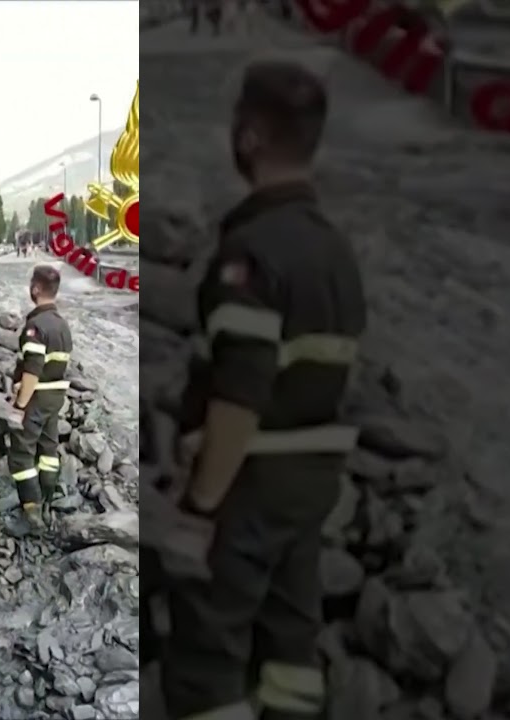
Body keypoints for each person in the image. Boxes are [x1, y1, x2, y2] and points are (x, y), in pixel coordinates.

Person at [158, 60, 367, 720]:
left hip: (252, 483)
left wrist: (199, 505)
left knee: (207, 656)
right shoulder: (335, 251)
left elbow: (240, 399)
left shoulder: (252, 253)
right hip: (312, 482)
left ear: (248, 137)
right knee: (288, 643)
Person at [6, 265, 73, 534]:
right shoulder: (62, 325)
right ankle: (48, 500)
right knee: (48, 449)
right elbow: (55, 365)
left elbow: (32, 371)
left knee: (21, 454)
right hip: (56, 397)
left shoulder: (36, 326)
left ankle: (31, 513)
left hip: (37, 397)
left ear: (35, 289)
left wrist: (20, 404)